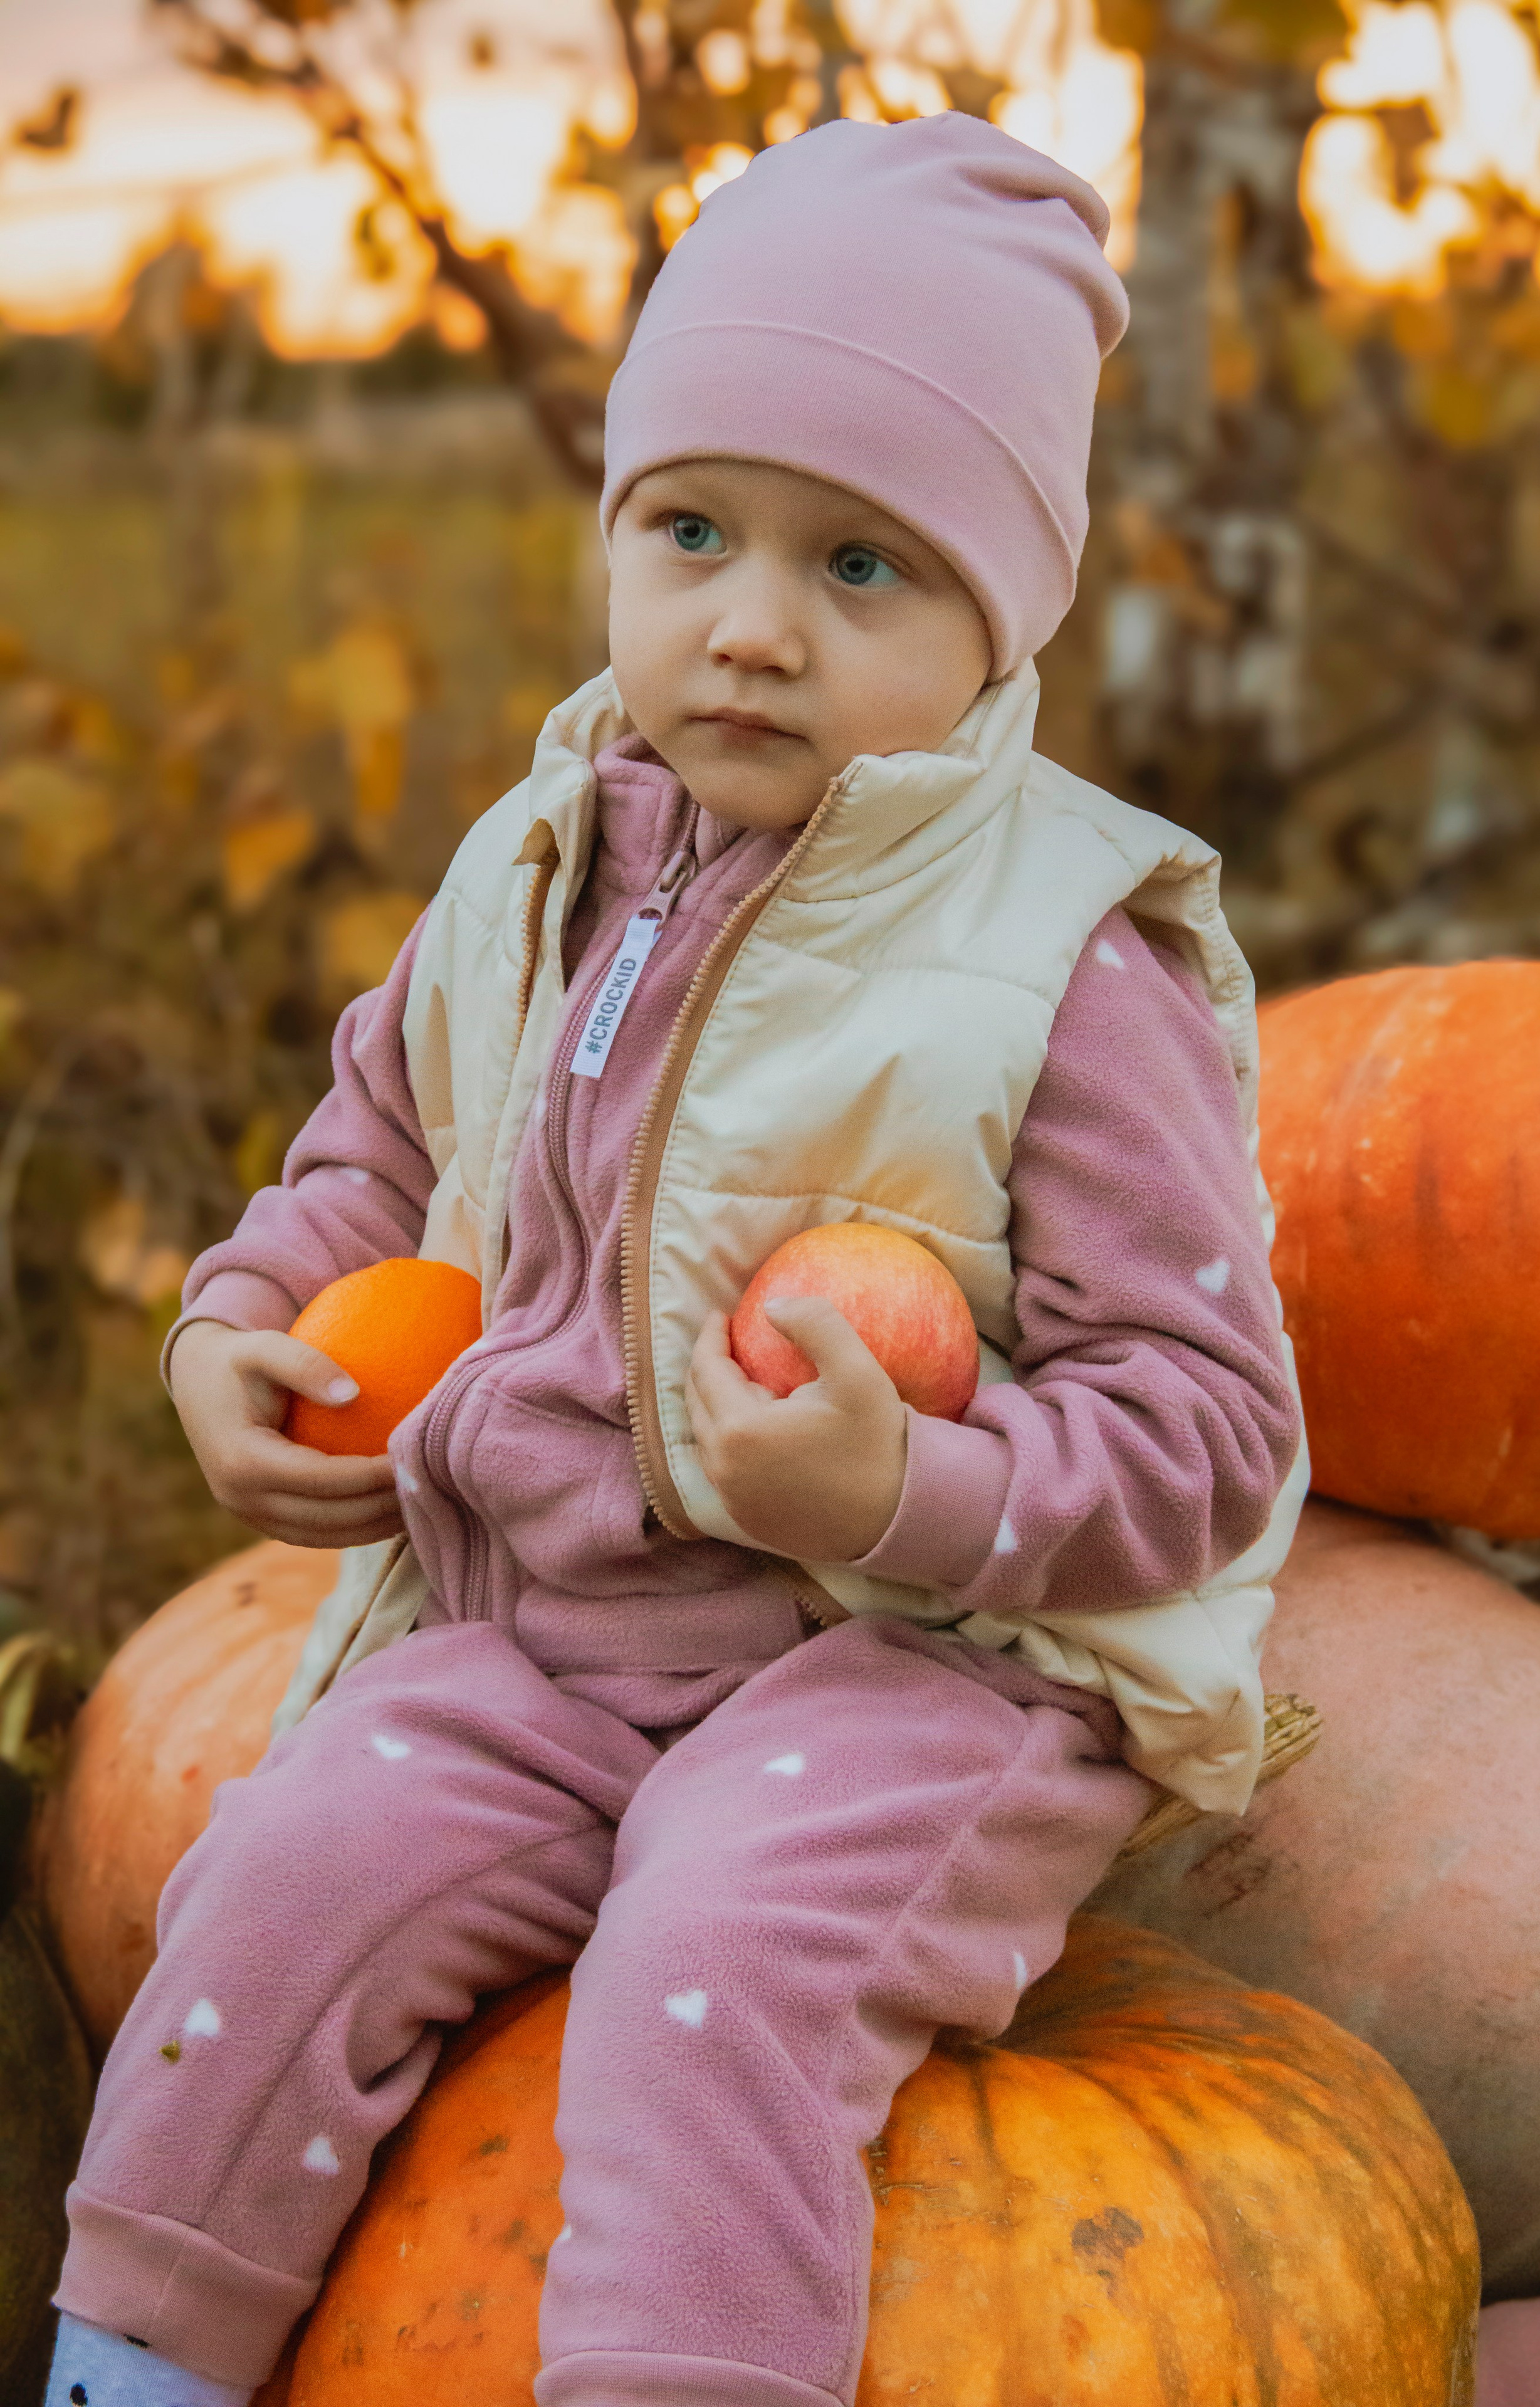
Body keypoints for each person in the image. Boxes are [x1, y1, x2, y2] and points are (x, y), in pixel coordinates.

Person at [48, 112, 1304, 2407]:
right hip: (559, 1624)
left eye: (863, 568)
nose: (748, 622)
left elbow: (1210, 1433)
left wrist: (898, 1491)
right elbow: (383, 1154)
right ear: (613, 531)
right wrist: (246, 1326)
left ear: (1000, 616)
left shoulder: (1061, 958)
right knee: (280, 1876)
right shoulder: (535, 868)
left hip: (923, 1657)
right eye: (695, 530)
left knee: (714, 1961)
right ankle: (134, 2364)